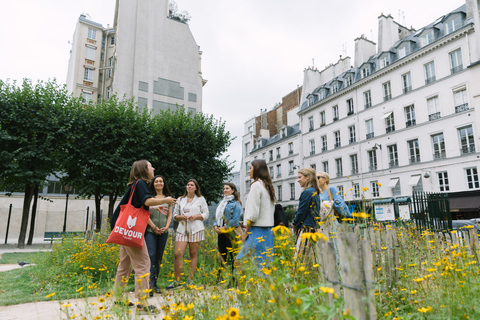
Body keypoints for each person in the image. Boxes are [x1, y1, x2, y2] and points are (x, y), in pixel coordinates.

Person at [110, 160, 176, 311]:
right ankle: (142, 301)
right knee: (143, 263)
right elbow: (145, 200)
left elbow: (140, 203)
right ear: (144, 169)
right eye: (151, 166)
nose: (153, 168)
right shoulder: (140, 183)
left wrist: (155, 206)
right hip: (132, 230)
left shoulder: (135, 184)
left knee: (125, 265)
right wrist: (165, 200)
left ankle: (118, 299)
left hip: (123, 229)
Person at [166, 179, 209, 289]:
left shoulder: (201, 199)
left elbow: (206, 214)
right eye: (188, 184)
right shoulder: (181, 199)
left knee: (193, 254)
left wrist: (195, 216)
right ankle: (177, 281)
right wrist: (182, 217)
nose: (189, 186)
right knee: (177, 254)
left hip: (196, 229)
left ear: (196, 188)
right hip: (182, 229)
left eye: (192, 185)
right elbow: (175, 216)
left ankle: (190, 280)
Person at [236, 159, 275, 271]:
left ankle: (243, 287)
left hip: (256, 231)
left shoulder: (256, 185)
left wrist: (245, 234)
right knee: (263, 266)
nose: (248, 171)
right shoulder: (267, 186)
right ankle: (259, 288)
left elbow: (252, 214)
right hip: (268, 231)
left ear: (257, 170)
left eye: (250, 168)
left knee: (240, 261)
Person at [145, 175, 173, 296]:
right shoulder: (150, 198)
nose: (159, 183)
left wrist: (167, 227)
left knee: (158, 257)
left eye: (161, 181)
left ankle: (154, 283)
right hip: (151, 231)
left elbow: (170, 215)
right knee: (150, 256)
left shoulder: (168, 198)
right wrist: (154, 227)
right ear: (153, 184)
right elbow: (145, 213)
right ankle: (149, 284)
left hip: (163, 232)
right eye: (156, 181)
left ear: (164, 183)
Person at [213, 183, 242, 284]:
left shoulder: (236, 204)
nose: (225, 190)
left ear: (233, 190)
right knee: (222, 255)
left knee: (233, 256)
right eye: (224, 188)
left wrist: (225, 227)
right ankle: (220, 278)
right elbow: (216, 216)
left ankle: (234, 280)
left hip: (230, 232)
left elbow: (235, 220)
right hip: (221, 232)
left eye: (227, 188)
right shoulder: (221, 203)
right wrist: (215, 226)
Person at [293, 168, 321, 233]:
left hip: (306, 229)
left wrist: (295, 225)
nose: (298, 180)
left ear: (308, 177)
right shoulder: (314, 191)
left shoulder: (307, 192)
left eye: (300, 177)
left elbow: (301, 212)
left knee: (304, 243)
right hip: (313, 227)